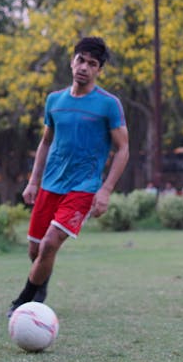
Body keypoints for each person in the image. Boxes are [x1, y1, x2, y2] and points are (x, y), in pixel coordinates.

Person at [8, 36, 129, 316]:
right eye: (80, 60)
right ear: (72, 61)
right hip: (50, 184)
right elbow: (46, 142)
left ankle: (24, 301)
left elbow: (123, 149)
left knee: (50, 244)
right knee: (35, 250)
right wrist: (33, 181)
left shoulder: (109, 104)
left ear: (99, 70)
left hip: (83, 187)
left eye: (92, 63)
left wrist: (106, 189)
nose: (84, 67)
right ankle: (41, 285)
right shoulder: (54, 101)